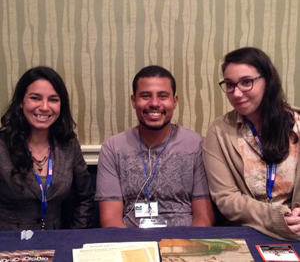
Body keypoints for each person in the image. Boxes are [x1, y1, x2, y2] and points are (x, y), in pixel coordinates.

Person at [95, 65, 215, 228]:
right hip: (131, 243)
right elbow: (110, 220)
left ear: (174, 101)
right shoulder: (113, 148)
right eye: (145, 96)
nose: (154, 103)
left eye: (163, 96)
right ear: (133, 101)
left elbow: (204, 218)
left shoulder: (196, 146)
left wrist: (184, 249)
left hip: (185, 242)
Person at [203, 47, 300, 240]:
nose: (236, 93)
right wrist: (278, 217)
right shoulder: (219, 132)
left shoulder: (297, 124)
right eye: (230, 85)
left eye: (246, 82)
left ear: (267, 80)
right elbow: (226, 198)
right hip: (246, 231)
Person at [0, 66, 94, 230]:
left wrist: (76, 235)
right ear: (21, 102)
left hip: (55, 241)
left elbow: (85, 198)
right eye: (35, 98)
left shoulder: (68, 144)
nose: (44, 107)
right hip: (8, 244)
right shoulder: (2, 145)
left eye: (53, 99)